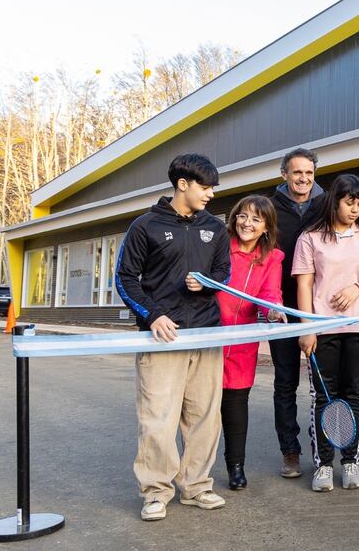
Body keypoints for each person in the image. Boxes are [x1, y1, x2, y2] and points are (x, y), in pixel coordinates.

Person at [115, 153, 231, 521]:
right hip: (162, 337)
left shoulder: (216, 227)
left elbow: (224, 273)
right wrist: (152, 316)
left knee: (205, 417)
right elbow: (125, 279)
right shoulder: (145, 226)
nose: (210, 194)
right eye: (205, 186)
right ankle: (155, 492)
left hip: (206, 335)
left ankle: (197, 486)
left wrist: (208, 284)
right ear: (183, 184)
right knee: (157, 418)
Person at [293, 174, 359, 492]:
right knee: (324, 395)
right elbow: (304, 284)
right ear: (334, 200)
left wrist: (356, 288)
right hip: (322, 328)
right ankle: (323, 464)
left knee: (353, 395)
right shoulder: (310, 238)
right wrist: (307, 329)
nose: (354, 209)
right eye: (349, 202)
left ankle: (349, 461)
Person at [216, 195, 286, 491]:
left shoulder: (273, 258)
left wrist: (273, 310)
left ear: (266, 228)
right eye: (243, 216)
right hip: (208, 339)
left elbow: (270, 294)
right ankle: (193, 470)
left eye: (256, 219)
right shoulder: (219, 245)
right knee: (200, 411)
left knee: (235, 409)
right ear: (234, 218)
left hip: (243, 343)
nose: (247, 223)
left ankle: (236, 467)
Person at [270, 147, 327, 479]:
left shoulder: (326, 204)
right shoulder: (271, 208)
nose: (304, 178)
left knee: (322, 382)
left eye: (309, 172)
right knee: (285, 382)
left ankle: (322, 446)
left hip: (321, 309)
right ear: (284, 175)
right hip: (283, 309)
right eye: (297, 172)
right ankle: (290, 451)